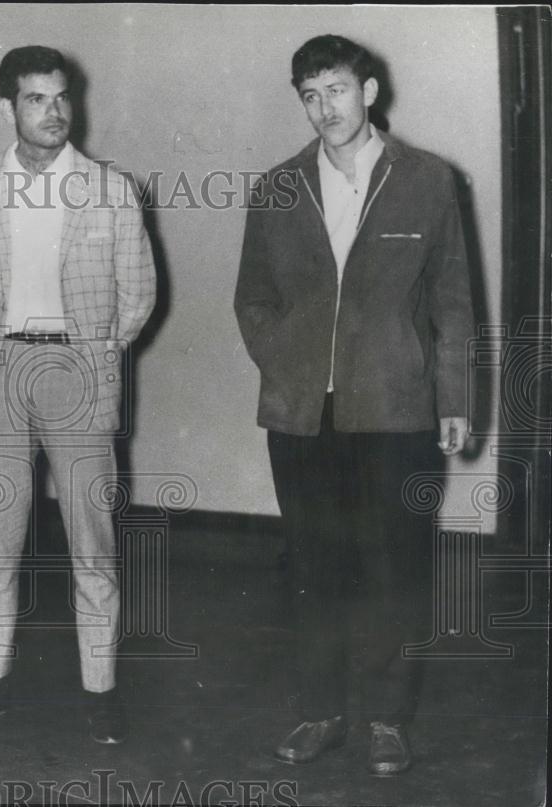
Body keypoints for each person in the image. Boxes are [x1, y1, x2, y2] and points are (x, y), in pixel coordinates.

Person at [235, 34, 474, 776]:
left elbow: (453, 300)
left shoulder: (430, 180)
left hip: (397, 412)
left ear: (368, 91)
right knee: (312, 565)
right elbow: (253, 299)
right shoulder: (277, 186)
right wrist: (287, 363)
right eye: (309, 94)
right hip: (305, 414)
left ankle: (388, 719)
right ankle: (320, 710)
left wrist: (454, 396)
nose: (323, 107)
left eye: (335, 89)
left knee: (393, 567)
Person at [0, 45, 156, 744]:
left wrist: (88, 351)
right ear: (10, 107)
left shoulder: (111, 190)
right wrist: (7, 344)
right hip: (0, 369)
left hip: (79, 372)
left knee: (91, 545)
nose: (54, 111)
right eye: (37, 99)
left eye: (61, 97)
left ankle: (100, 691)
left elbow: (138, 294)